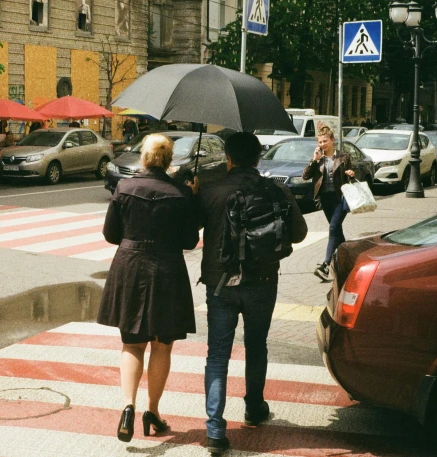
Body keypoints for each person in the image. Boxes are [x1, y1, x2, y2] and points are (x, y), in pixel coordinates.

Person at [195, 132, 307, 454]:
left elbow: (189, 234)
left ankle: (215, 429)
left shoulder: (212, 190)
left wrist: (194, 192)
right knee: (257, 346)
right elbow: (298, 233)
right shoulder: (275, 189)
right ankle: (254, 407)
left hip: (220, 285)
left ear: (228, 158)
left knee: (217, 354)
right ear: (259, 159)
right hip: (262, 282)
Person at [97, 134, 200, 443]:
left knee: (131, 344)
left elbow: (110, 234)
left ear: (143, 157)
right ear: (169, 160)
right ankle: (152, 411)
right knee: (162, 344)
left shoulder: (124, 187)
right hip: (167, 270)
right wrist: (192, 197)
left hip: (130, 268)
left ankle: (128, 407)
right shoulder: (179, 193)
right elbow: (190, 241)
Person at [302, 125, 354, 281]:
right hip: (325, 199)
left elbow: (350, 176)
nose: (322, 144)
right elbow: (305, 176)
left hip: (340, 198)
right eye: (320, 142)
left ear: (332, 140)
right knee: (337, 231)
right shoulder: (319, 159)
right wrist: (314, 160)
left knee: (333, 228)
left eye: (325, 141)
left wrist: (350, 174)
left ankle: (325, 265)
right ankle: (350, 262)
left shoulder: (343, 157)